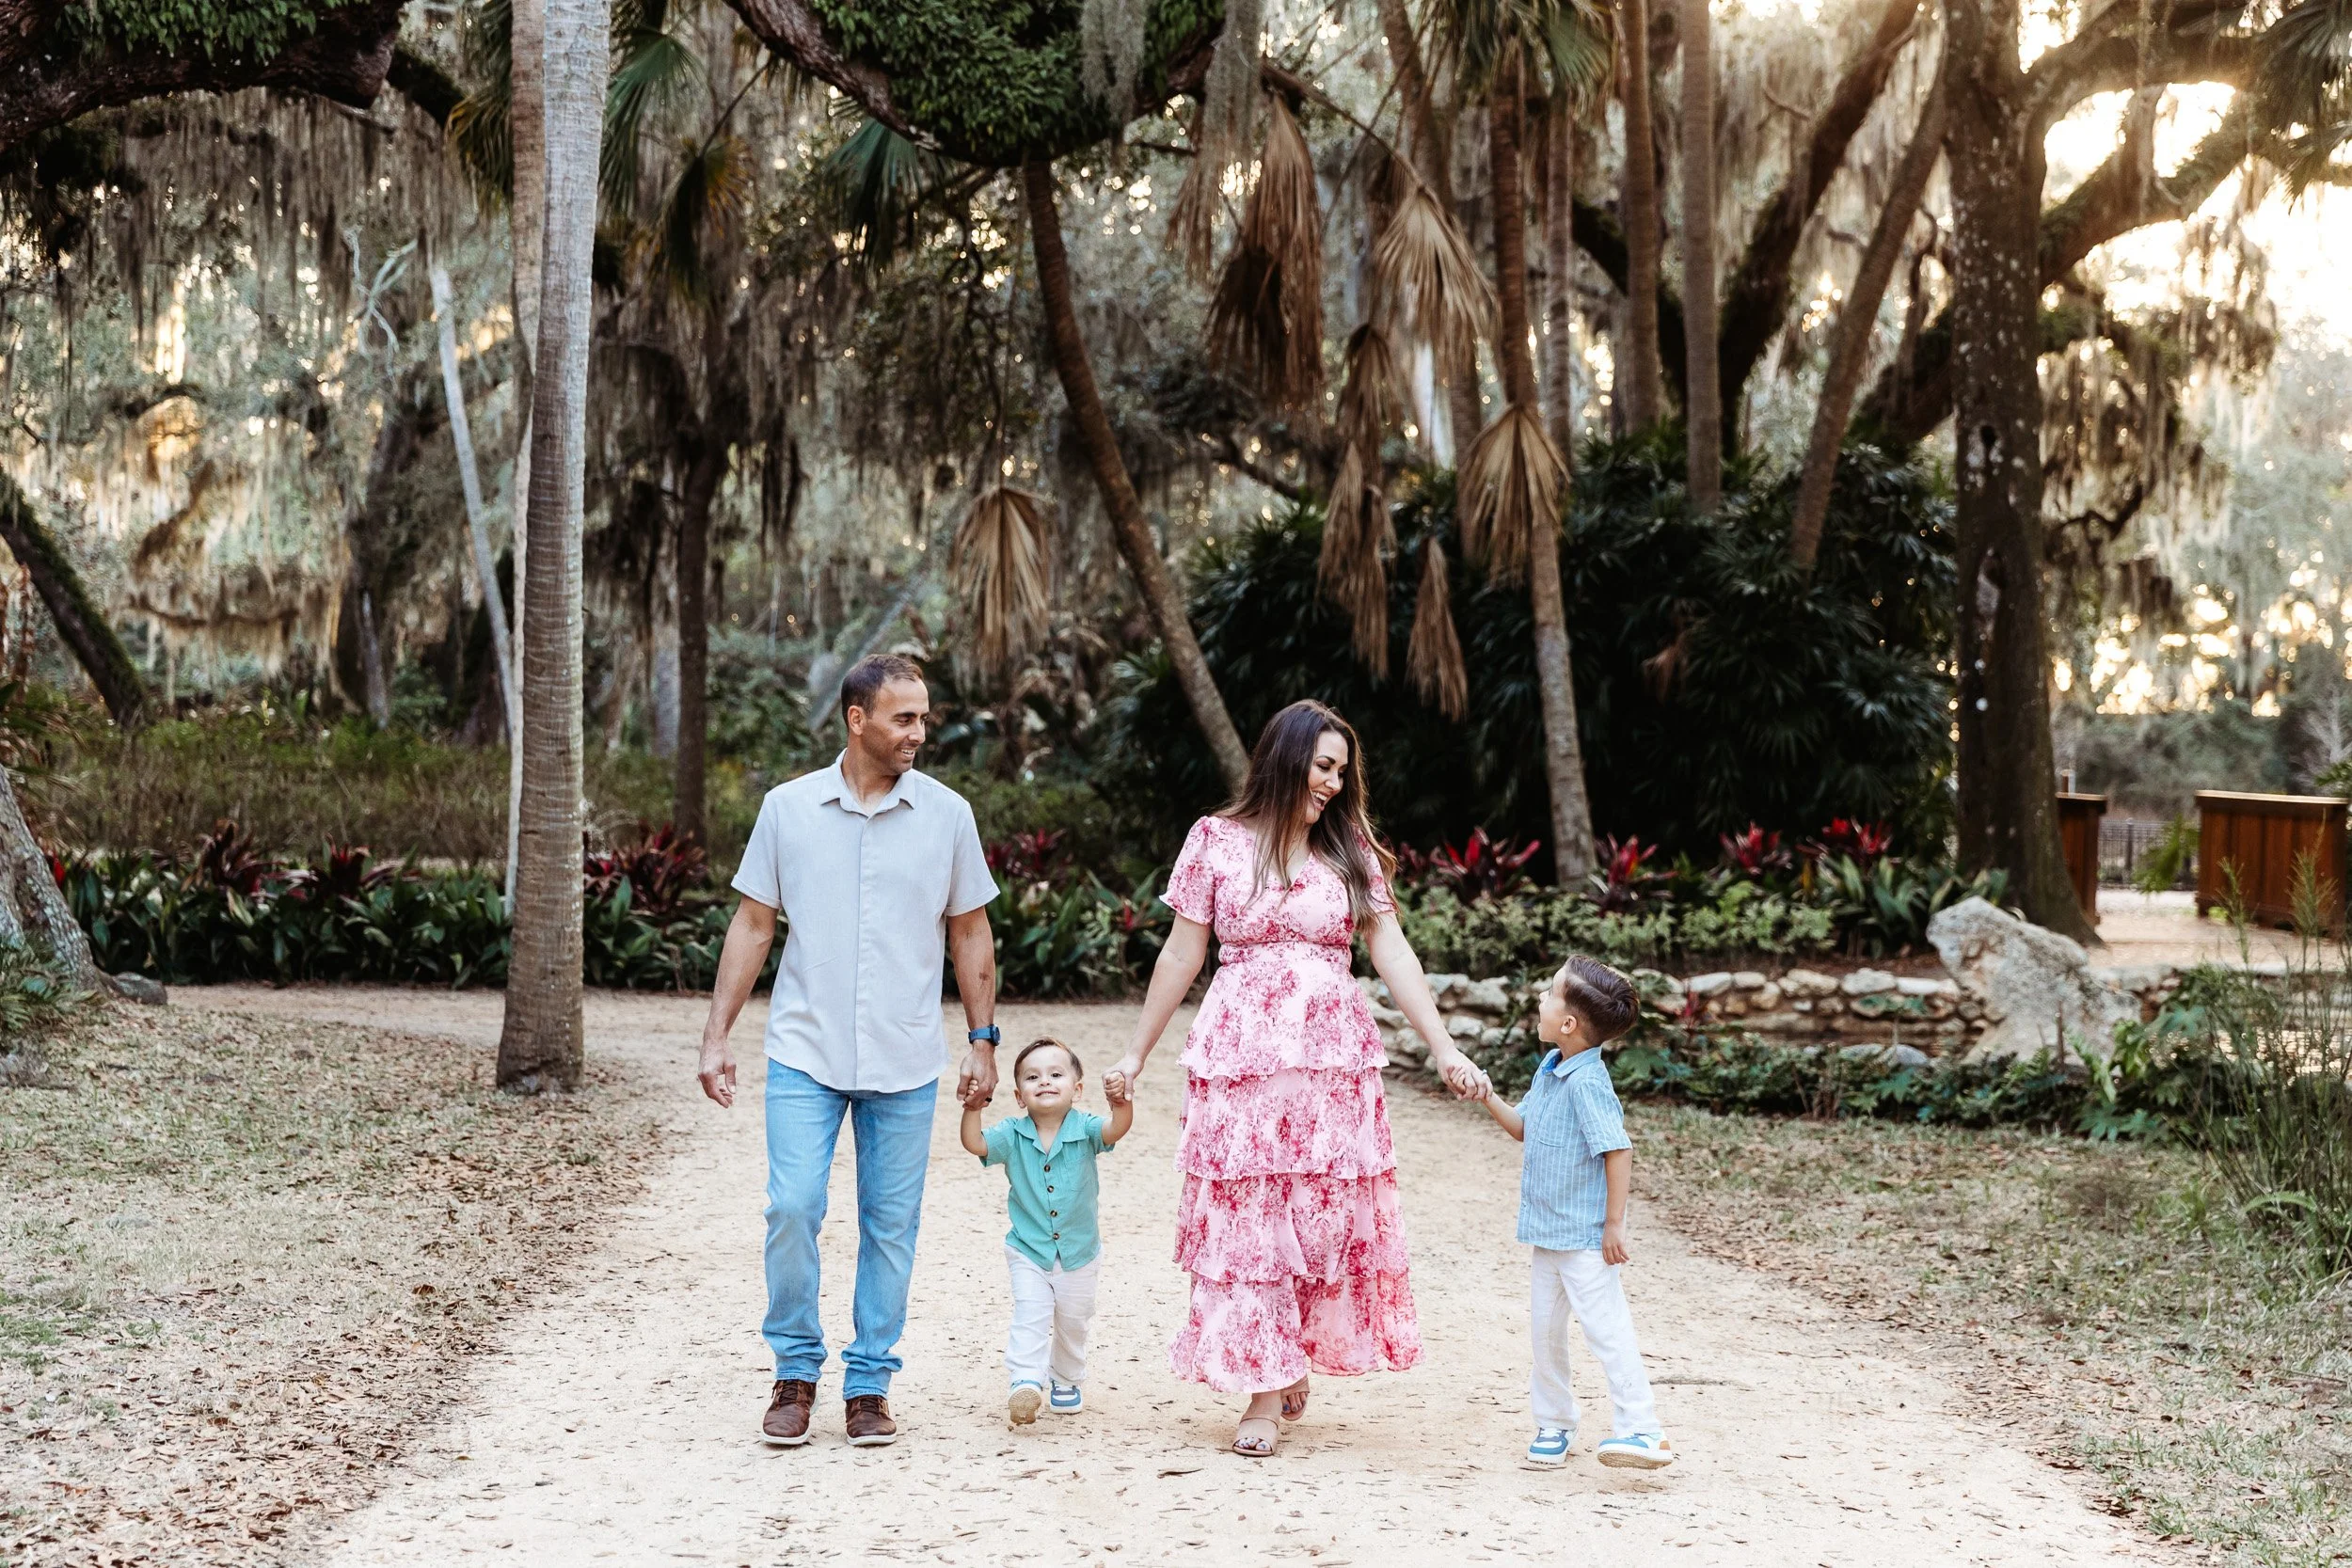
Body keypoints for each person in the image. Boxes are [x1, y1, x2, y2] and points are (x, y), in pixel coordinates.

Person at [1102, 699, 1491, 1458]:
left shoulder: (1348, 853)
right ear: (1285, 757)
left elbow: (1393, 951)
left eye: (1342, 772)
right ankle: (1263, 1384)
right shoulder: (1214, 841)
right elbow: (1182, 955)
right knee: (1250, 1220)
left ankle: (1284, 1357)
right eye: (1322, 766)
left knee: (1315, 1221)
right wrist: (1135, 1054)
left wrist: (1443, 1046)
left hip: (1329, 1066)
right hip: (1240, 1061)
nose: (1333, 784)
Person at [695, 653, 1002, 1450]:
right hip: (805, 1049)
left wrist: (983, 1040)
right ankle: (795, 1372)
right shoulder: (787, 810)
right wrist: (717, 1033)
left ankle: (869, 1383)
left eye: (924, 717)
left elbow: (970, 929)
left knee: (890, 1225)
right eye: (905, 717)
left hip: (905, 1057)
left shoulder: (948, 816)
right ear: (857, 718)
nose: (919, 732)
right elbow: (754, 924)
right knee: (791, 1206)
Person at [1475, 957, 1677, 1471]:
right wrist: (1486, 1095)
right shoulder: (1552, 1068)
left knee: (1606, 1330)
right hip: (1548, 1234)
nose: (1540, 1000)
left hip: (1585, 1239)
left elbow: (1618, 1150)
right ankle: (1555, 1422)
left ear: (1568, 1023)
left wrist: (1613, 1224)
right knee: (1545, 1333)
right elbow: (1524, 1128)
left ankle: (1643, 1430)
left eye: (1548, 994)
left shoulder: (1588, 1082)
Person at [960, 1037, 1133, 1426]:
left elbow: (1115, 1129)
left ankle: (1067, 1378)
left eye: (1056, 1074)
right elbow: (975, 1143)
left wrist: (1121, 1104)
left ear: (1077, 1088)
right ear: (1020, 1095)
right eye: (1033, 1077)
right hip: (1028, 1249)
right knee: (1030, 1313)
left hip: (1079, 1252)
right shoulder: (1011, 1133)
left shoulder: (1086, 1128)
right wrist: (973, 1109)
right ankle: (1024, 1379)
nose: (1045, 1082)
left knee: (1074, 1320)